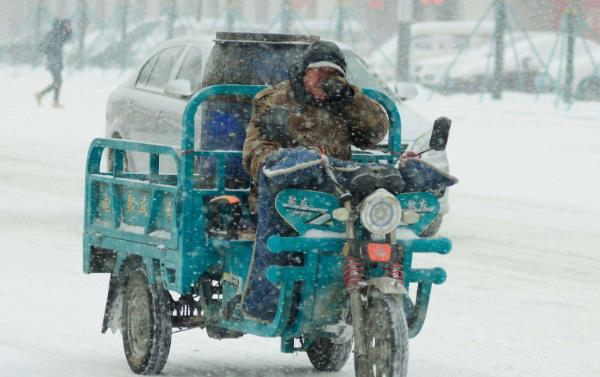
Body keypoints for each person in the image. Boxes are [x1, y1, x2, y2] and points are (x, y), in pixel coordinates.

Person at [241, 40, 390, 321]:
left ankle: (372, 301)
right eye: (319, 72)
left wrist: (348, 97)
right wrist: (294, 163)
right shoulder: (274, 100)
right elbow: (255, 154)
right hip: (286, 198)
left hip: (336, 199)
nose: (325, 80)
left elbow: (376, 132)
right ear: (303, 72)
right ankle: (265, 302)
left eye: (333, 74)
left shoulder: (343, 103)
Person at [35, 18, 72, 108]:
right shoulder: (55, 35)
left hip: (54, 62)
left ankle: (48, 98)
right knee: (58, 82)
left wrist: (68, 31)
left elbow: (67, 39)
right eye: (64, 25)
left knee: (57, 82)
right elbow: (49, 46)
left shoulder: (55, 34)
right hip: (53, 62)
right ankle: (44, 96)